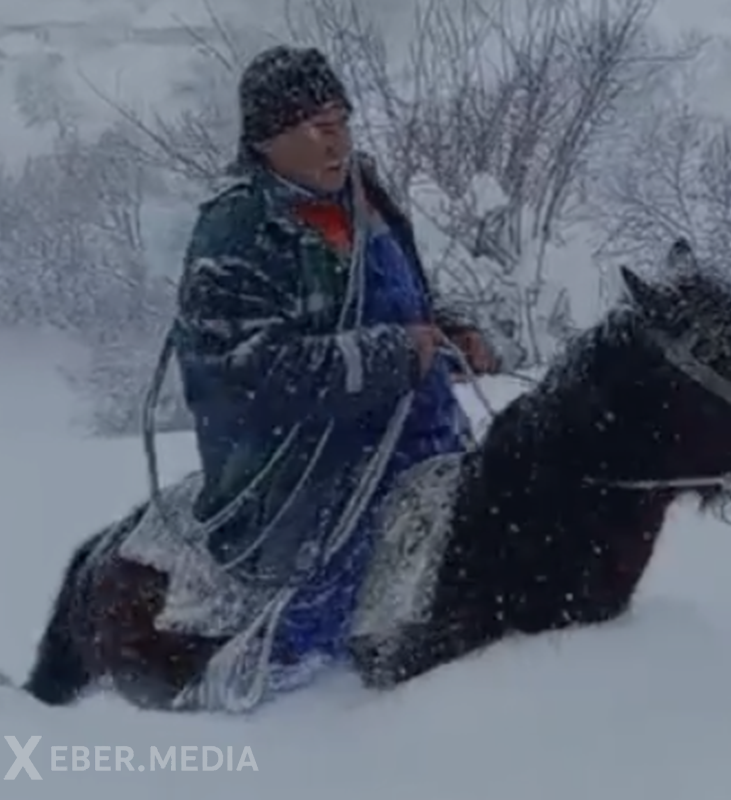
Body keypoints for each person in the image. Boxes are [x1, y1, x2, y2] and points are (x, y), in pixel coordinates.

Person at [171, 45, 498, 689]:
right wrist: (396, 354)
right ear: (268, 138)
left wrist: (450, 334)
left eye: (343, 122)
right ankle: (286, 701)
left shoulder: (363, 195)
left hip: (427, 440)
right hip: (312, 474)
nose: (338, 142)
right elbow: (253, 380)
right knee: (330, 624)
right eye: (319, 128)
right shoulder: (234, 235)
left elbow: (406, 302)